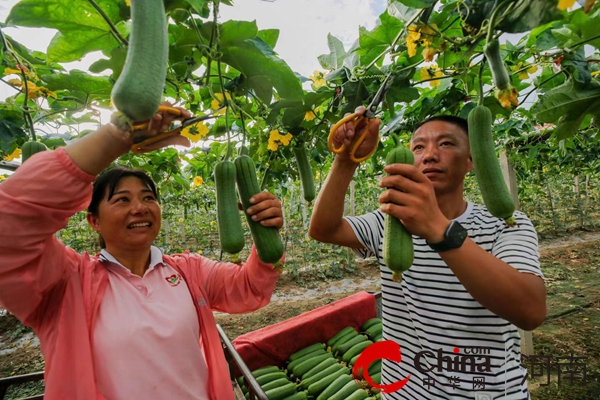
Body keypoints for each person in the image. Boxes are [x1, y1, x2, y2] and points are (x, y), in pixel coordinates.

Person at [0, 103, 286, 400]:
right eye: (122, 200)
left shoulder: (189, 271)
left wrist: (267, 233)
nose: (139, 208)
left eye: (148, 197)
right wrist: (114, 137)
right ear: (93, 220)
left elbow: (250, 288)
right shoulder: (65, 283)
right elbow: (7, 225)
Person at [309, 106, 546, 400]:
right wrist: (345, 160)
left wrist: (439, 229)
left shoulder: (505, 225)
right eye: (418, 146)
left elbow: (530, 311)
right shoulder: (388, 222)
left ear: (472, 160)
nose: (429, 155)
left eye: (446, 144)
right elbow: (323, 229)